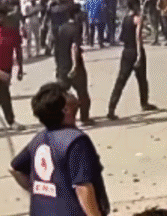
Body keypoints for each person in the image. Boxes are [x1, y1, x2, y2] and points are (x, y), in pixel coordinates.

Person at [10, 83, 110, 216]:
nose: (72, 94)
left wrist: (39, 190)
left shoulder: (39, 139)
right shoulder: (76, 141)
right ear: (65, 109)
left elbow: (15, 168)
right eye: (67, 94)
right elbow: (82, 188)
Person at [107, 0, 158, 119]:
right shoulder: (138, 19)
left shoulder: (125, 19)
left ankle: (111, 108)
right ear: (135, 6)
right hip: (136, 51)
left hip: (126, 52)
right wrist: (139, 54)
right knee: (142, 79)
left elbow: (122, 37)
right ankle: (144, 103)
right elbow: (138, 37)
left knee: (121, 80)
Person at [56, 4, 93, 125]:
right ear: (75, 14)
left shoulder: (61, 28)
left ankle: (59, 119)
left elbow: (58, 48)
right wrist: (75, 66)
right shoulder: (76, 28)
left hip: (62, 65)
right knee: (83, 93)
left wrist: (58, 66)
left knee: (61, 94)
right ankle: (84, 118)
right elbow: (74, 47)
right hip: (74, 66)